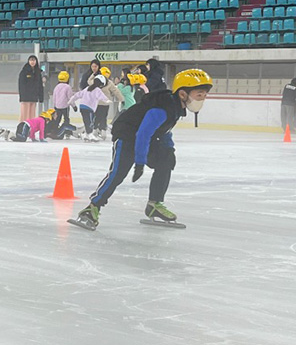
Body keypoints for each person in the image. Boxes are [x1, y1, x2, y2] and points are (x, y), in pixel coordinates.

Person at [69, 69, 214, 231]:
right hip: (127, 134)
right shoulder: (162, 108)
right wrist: (139, 162)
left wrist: (168, 149)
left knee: (166, 160)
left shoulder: (175, 106)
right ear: (182, 94)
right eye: (199, 95)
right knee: (118, 173)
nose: (202, 99)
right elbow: (143, 133)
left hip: (143, 136)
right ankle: (92, 208)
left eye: (204, 95)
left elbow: (164, 130)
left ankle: (154, 204)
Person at [65, 75, 109, 142]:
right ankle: (90, 134)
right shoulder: (97, 90)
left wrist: (71, 100)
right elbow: (102, 97)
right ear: (101, 84)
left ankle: (86, 135)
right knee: (90, 122)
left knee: (86, 121)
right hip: (89, 108)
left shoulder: (87, 88)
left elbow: (78, 95)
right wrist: (108, 101)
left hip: (82, 107)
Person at [96, 66, 125, 139]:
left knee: (97, 117)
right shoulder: (109, 83)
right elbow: (116, 91)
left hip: (97, 103)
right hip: (105, 103)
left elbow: (89, 85)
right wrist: (121, 99)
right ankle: (102, 131)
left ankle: (96, 130)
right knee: (103, 117)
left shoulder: (96, 81)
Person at [18, 55, 43, 121]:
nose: (32, 62)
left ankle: (30, 128)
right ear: (28, 61)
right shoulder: (24, 72)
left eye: (34, 60)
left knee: (32, 115)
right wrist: (22, 96)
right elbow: (21, 85)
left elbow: (40, 85)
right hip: (25, 97)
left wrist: (41, 96)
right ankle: (22, 128)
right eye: (31, 60)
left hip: (34, 97)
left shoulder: (38, 72)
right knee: (25, 115)